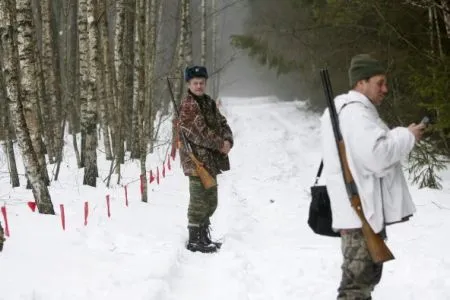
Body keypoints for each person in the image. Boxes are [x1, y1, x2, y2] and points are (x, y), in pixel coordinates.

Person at [320, 54, 426, 299]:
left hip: (360, 211)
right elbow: (377, 156)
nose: (385, 89)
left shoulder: (348, 111)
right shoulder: (356, 114)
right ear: (361, 83)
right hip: (360, 213)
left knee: (362, 283)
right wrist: (407, 136)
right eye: (379, 83)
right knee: (356, 288)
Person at [176, 65, 233, 253]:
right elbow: (200, 134)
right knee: (198, 201)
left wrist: (228, 140)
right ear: (189, 84)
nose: (199, 86)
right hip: (196, 161)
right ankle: (194, 240)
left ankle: (204, 236)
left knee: (211, 200)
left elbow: (222, 123)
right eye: (195, 83)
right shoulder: (188, 106)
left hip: (210, 160)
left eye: (201, 83)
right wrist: (220, 144)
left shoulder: (208, 102)